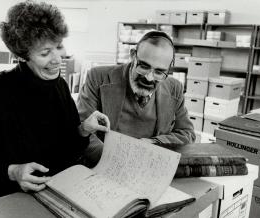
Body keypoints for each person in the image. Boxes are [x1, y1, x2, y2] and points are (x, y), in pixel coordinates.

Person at [0, 1, 110, 217]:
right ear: (23, 55)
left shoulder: (58, 86)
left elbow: (64, 151)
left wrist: (83, 130)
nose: (57, 60)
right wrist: (12, 172)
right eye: (45, 53)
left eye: (59, 46)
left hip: (48, 197)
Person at [78, 30, 195, 166]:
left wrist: (152, 144)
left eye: (159, 72)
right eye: (144, 66)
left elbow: (187, 134)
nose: (149, 77)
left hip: (150, 168)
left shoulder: (175, 88)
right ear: (133, 55)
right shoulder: (98, 77)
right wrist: (116, 160)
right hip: (104, 166)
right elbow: (82, 130)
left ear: (169, 69)